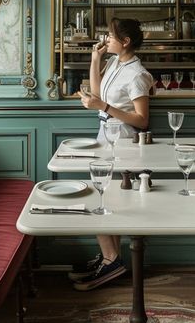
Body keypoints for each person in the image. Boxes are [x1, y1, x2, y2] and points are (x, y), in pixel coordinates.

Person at [68, 17, 153, 291]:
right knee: (106, 199)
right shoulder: (116, 62)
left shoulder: (137, 74)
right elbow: (97, 93)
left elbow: (142, 120)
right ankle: (110, 259)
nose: (106, 38)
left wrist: (102, 105)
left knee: (102, 199)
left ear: (125, 42)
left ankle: (111, 261)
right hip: (105, 136)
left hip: (124, 141)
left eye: (110, 35)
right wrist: (95, 59)